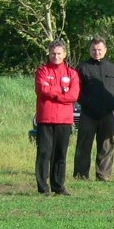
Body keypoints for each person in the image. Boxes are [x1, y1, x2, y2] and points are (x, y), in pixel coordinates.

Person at [73, 38, 114, 181]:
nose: (96, 52)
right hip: (88, 113)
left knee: (107, 145)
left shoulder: (113, 68)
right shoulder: (82, 68)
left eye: (99, 50)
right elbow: (76, 89)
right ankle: (81, 175)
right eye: (93, 50)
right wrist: (86, 102)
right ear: (89, 50)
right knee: (84, 144)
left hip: (107, 113)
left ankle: (104, 175)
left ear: (105, 50)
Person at [34, 39, 80, 196]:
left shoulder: (72, 73)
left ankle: (59, 186)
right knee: (44, 153)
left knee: (60, 154)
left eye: (59, 53)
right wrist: (61, 91)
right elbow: (42, 90)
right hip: (45, 118)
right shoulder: (42, 71)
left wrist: (54, 92)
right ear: (49, 53)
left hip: (64, 120)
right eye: (53, 53)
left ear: (65, 54)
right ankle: (43, 187)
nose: (56, 56)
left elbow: (73, 96)